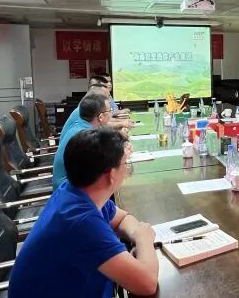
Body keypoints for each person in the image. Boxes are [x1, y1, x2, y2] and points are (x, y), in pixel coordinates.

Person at [9, 127, 159, 297]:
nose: (127, 168)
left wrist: (136, 237)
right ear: (110, 174)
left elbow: (122, 218)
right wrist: (144, 238)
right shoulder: (81, 222)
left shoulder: (76, 190)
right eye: (125, 163)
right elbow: (148, 284)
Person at [52, 94, 112, 189]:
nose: (111, 114)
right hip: (68, 190)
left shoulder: (81, 126)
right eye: (109, 111)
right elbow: (104, 166)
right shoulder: (85, 137)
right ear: (100, 117)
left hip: (69, 185)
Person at [61, 83, 132, 141]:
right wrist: (120, 135)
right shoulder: (86, 133)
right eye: (106, 97)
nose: (109, 100)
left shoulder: (85, 111)